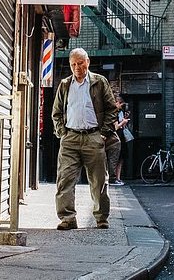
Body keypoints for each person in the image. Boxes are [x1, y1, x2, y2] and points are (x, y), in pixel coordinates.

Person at [52, 47, 117, 230]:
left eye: (80, 63)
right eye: (73, 64)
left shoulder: (99, 82)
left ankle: (101, 218)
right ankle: (67, 218)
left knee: (98, 181)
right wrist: (62, 133)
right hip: (70, 138)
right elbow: (56, 112)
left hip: (93, 137)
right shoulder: (65, 84)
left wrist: (103, 134)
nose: (77, 67)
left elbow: (112, 109)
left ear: (87, 62)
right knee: (64, 179)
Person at [107, 95, 131, 186]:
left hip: (121, 136)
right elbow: (116, 127)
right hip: (116, 136)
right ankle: (113, 178)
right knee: (115, 157)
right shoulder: (113, 113)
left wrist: (124, 121)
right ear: (116, 103)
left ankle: (118, 177)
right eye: (120, 104)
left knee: (121, 158)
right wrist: (123, 122)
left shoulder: (120, 112)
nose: (121, 106)